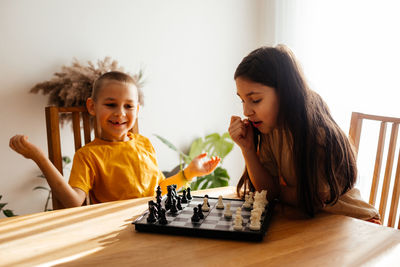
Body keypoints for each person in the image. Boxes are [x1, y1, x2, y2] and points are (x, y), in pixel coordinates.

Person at [10, 71, 220, 208]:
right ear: (92, 106)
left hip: (153, 221)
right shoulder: (88, 155)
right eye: (111, 105)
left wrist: (190, 172)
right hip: (115, 229)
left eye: (128, 106)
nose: (120, 113)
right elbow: (74, 202)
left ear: (137, 110)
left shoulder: (144, 144)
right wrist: (39, 157)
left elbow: (159, 190)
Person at [229, 45, 381, 224]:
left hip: (356, 222)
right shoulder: (270, 130)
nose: (246, 111)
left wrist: (279, 191)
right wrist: (247, 149)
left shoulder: (317, 133)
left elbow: (312, 197)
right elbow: (267, 192)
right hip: (315, 221)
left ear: (284, 92)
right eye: (242, 100)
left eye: (255, 100)